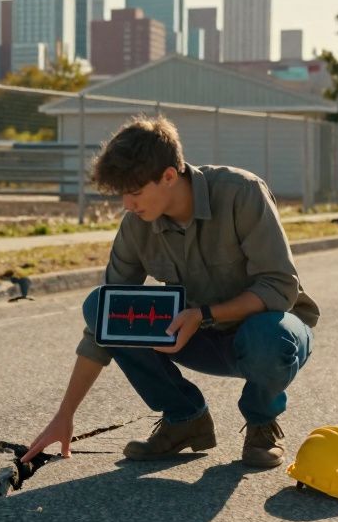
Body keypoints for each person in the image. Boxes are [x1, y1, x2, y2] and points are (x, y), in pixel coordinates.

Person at [21, 116, 319, 469]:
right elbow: (105, 320)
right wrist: (64, 414)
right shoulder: (137, 225)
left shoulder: (242, 193)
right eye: (122, 196)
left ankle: (261, 422)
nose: (127, 206)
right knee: (101, 307)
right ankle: (185, 419)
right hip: (194, 338)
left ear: (168, 176)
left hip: (265, 337)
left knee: (273, 336)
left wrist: (204, 314)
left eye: (134, 193)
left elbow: (280, 286)